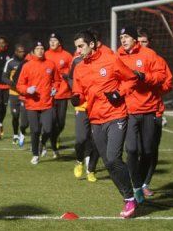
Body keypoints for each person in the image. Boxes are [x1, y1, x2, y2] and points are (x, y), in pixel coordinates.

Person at [71, 30, 138, 218]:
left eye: (80, 46)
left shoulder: (110, 60)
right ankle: (129, 197)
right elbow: (79, 91)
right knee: (109, 164)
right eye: (76, 47)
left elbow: (131, 78)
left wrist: (120, 93)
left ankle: (130, 198)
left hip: (116, 115)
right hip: (95, 118)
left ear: (91, 44)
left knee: (113, 158)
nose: (77, 51)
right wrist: (76, 98)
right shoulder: (79, 68)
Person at [117, 26, 166, 204]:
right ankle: (137, 187)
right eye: (121, 37)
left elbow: (161, 76)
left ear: (135, 39)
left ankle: (141, 183)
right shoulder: (118, 56)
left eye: (127, 36)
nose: (123, 40)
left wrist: (143, 76)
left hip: (149, 109)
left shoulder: (149, 54)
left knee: (147, 151)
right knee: (131, 149)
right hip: (128, 110)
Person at [137, 27, 173, 197]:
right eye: (138, 41)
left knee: (151, 149)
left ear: (149, 43)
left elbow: (168, 83)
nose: (141, 45)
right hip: (133, 111)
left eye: (144, 42)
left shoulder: (158, 60)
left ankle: (145, 183)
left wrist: (155, 88)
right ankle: (136, 182)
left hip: (155, 111)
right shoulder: (127, 59)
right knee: (134, 149)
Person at [16, 41, 61, 164]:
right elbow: (19, 85)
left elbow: (57, 80)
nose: (40, 50)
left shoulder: (51, 64)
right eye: (37, 48)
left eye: (42, 48)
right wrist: (27, 90)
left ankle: (42, 142)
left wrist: (54, 88)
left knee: (48, 129)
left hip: (47, 103)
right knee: (35, 130)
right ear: (33, 51)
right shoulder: (27, 66)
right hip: (32, 104)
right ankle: (35, 154)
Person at [67, 49, 99, 183]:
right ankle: (79, 160)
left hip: (98, 107)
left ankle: (91, 170)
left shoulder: (102, 61)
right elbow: (70, 78)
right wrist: (75, 92)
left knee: (97, 141)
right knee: (81, 139)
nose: (80, 49)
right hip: (82, 107)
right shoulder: (76, 61)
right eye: (78, 46)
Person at [44, 32, 73, 156]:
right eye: (50, 40)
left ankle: (53, 138)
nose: (52, 42)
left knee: (61, 123)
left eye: (55, 40)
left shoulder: (67, 55)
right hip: (49, 93)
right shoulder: (45, 54)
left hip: (63, 93)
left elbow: (73, 72)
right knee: (51, 121)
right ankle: (46, 141)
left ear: (59, 42)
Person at [2, 44, 28, 145]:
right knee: (15, 115)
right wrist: (11, 83)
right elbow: (4, 77)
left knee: (25, 117)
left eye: (23, 51)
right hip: (13, 93)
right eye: (20, 51)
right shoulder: (10, 62)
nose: (23, 53)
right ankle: (15, 134)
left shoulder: (27, 62)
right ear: (16, 52)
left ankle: (22, 133)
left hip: (24, 94)